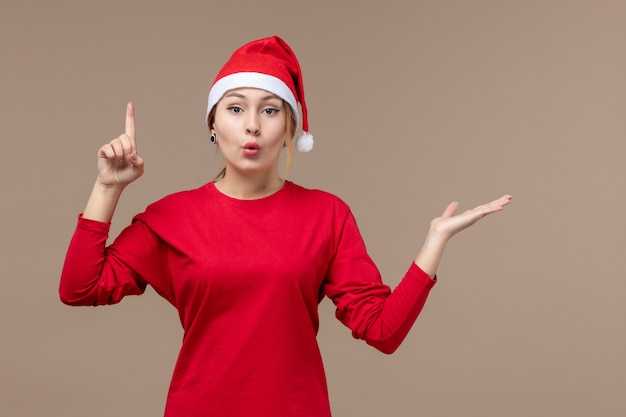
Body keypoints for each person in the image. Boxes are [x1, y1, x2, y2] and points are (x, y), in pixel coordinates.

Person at [59, 35, 512, 417]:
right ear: (213, 123)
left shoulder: (326, 215)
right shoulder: (172, 217)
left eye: (270, 111)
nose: (252, 126)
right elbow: (79, 288)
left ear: (290, 127)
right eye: (236, 109)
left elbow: (383, 332)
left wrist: (434, 243)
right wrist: (107, 188)